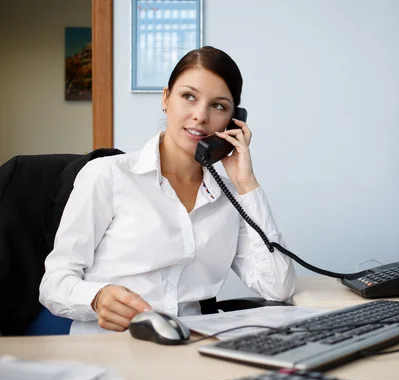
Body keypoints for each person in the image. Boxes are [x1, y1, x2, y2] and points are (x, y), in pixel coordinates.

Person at [39, 46, 296, 334]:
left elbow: (278, 287)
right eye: (189, 97)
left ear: (234, 121)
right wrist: (96, 298)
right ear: (166, 99)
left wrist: (247, 184)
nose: (200, 116)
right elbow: (54, 284)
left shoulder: (230, 201)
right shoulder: (108, 175)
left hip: (191, 347)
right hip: (111, 345)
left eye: (218, 106)